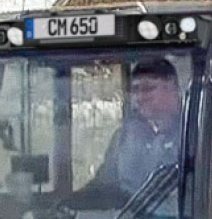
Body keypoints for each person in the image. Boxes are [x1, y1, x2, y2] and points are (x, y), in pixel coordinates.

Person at [76, 58, 185, 203]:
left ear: (172, 89)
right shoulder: (123, 137)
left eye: (148, 89)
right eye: (135, 90)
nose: (140, 97)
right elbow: (104, 184)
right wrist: (72, 204)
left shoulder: (199, 136)